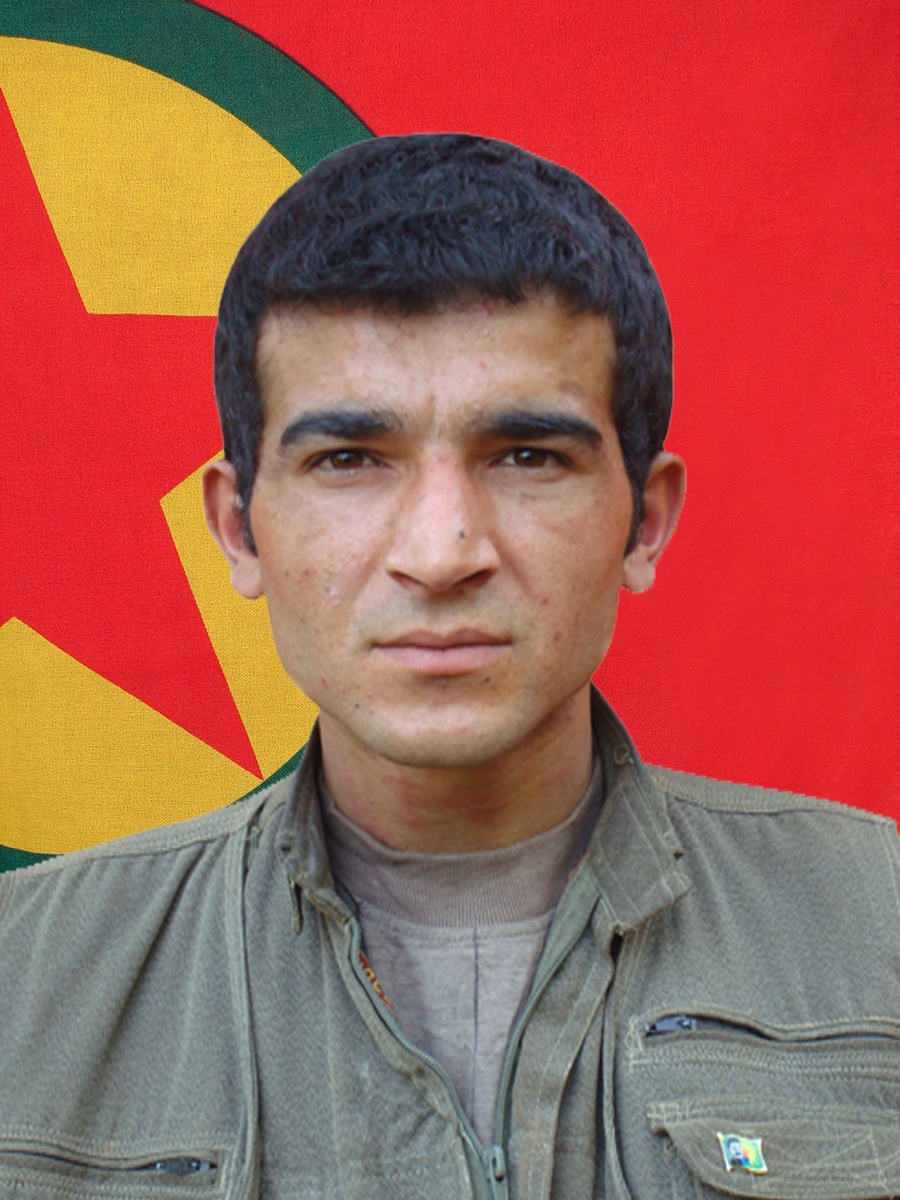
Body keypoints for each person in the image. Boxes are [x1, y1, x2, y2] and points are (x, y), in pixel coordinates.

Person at [1, 134, 899, 1200]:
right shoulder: (25, 982)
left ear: (644, 521)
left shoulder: (879, 923)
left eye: (526, 456)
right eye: (349, 460)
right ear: (239, 528)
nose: (440, 553)